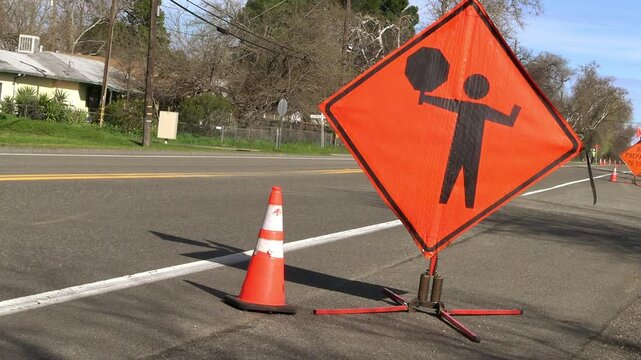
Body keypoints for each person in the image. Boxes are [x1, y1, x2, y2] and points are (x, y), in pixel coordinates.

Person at [420, 74, 520, 209]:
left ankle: (446, 202)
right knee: (468, 177)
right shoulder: (482, 109)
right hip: (472, 148)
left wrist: (425, 97)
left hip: (460, 145)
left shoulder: (462, 105)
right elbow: (508, 120)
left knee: (454, 175)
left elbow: (444, 103)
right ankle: (465, 205)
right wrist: (517, 108)